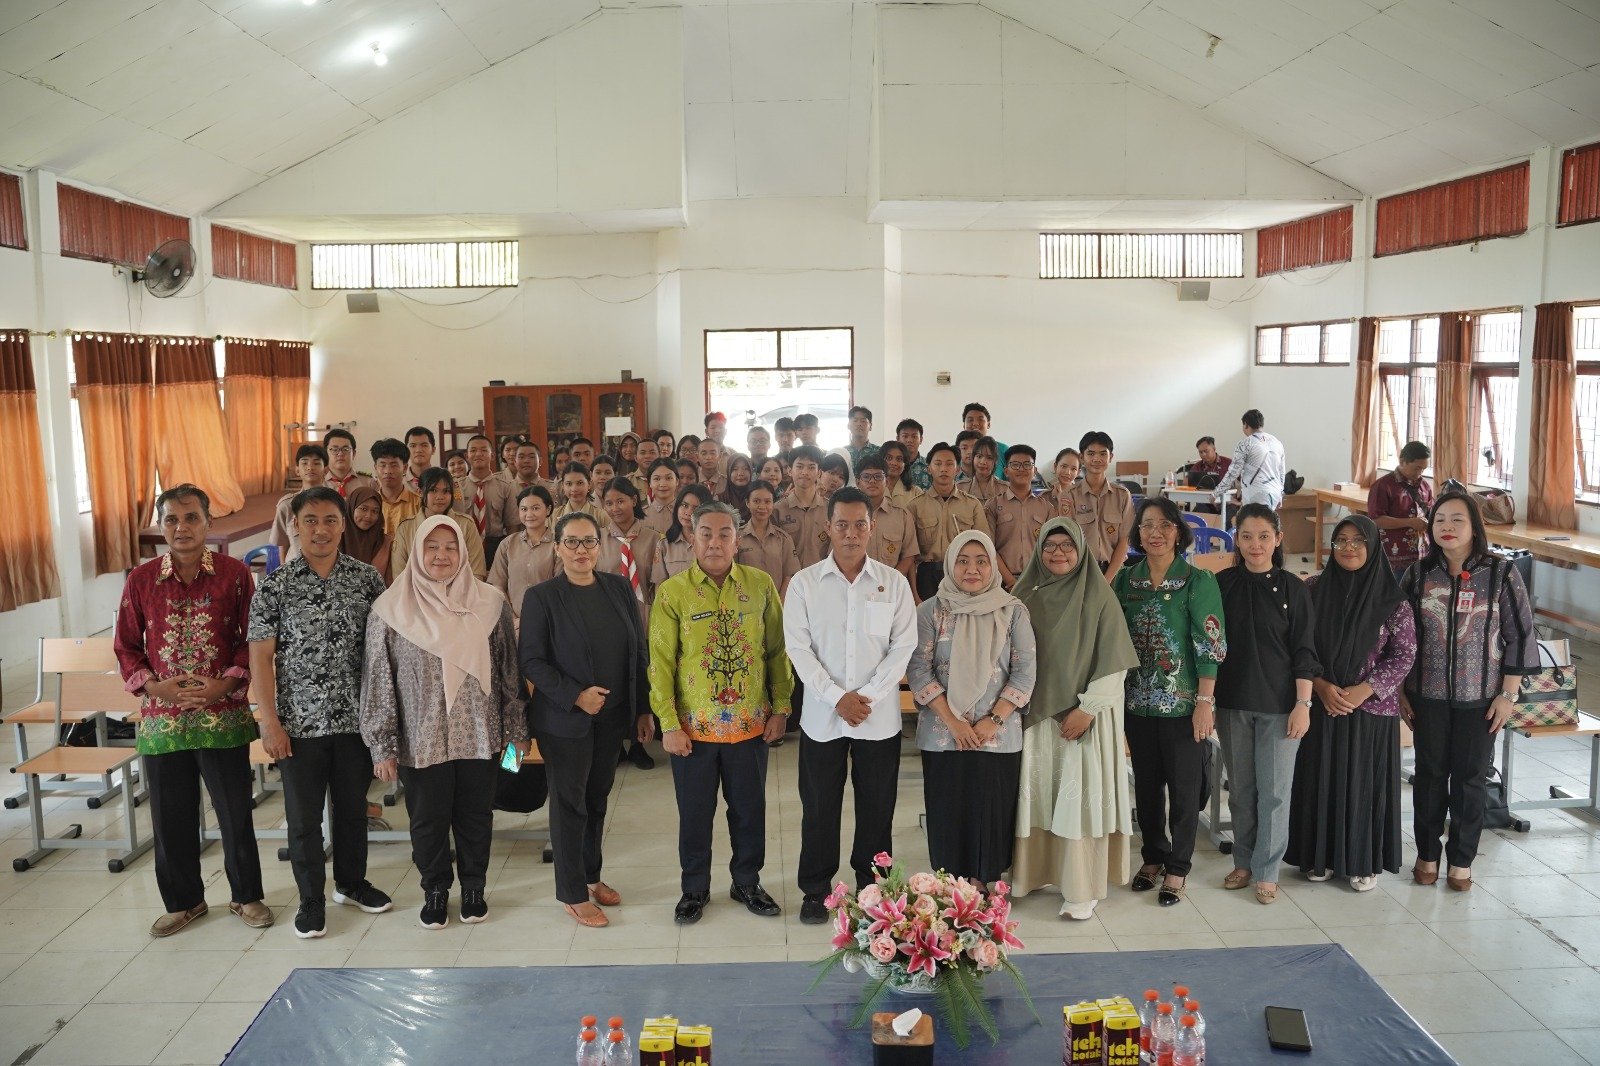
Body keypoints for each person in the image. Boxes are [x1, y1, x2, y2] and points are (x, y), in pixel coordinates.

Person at [114, 485, 270, 937]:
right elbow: (126, 646)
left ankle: (246, 895)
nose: (181, 528)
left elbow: (251, 639)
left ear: (208, 522)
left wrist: (225, 682)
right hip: (163, 720)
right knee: (169, 816)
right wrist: (155, 686)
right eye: (171, 520)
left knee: (235, 811)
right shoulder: (140, 580)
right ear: (161, 526)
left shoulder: (235, 574)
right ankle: (184, 902)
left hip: (223, 713)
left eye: (191, 518)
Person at [360, 516, 528, 928]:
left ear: (464, 553)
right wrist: (382, 746)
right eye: (431, 546)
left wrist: (517, 736)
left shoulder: (491, 603)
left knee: (476, 816)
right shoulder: (390, 609)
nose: (441, 555)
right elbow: (378, 679)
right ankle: (435, 889)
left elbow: (509, 673)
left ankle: (474, 887)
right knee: (427, 820)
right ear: (417, 551)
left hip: (481, 735)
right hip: (422, 739)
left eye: (450, 547)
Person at [250, 487, 393, 938]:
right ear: (294, 525)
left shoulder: (367, 580)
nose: (320, 529)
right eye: (310, 520)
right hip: (299, 725)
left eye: (330, 520)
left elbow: (385, 651)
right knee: (305, 819)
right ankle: (311, 899)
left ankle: (351, 884)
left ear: (343, 524)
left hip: (356, 722)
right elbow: (260, 657)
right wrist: (268, 720)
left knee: (353, 811)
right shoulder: (276, 585)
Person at [650, 501, 793, 924]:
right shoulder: (672, 592)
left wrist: (780, 709)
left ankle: (746, 880)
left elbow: (777, 652)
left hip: (750, 726)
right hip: (692, 731)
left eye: (724, 534)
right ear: (692, 538)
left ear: (737, 540)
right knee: (695, 814)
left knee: (749, 810)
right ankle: (694, 888)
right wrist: (669, 724)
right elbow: (660, 664)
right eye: (706, 534)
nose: (715, 542)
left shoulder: (761, 585)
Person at [784, 487, 917, 921]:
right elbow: (799, 650)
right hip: (823, 718)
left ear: (871, 528)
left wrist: (869, 697)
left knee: (877, 805)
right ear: (828, 528)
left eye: (860, 524)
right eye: (842, 524)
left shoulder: (892, 583)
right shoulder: (804, 585)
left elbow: (903, 647)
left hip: (878, 720)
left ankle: (873, 886)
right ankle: (816, 888)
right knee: (819, 804)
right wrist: (837, 697)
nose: (852, 533)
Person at [519, 512, 654, 928]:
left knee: (597, 798)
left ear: (601, 546)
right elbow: (532, 660)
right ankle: (572, 892)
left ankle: (592, 875)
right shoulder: (542, 597)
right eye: (572, 542)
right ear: (557, 547)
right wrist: (575, 695)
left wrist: (642, 708)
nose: (582, 550)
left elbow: (638, 651)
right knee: (568, 803)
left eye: (589, 542)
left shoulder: (616, 588)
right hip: (564, 719)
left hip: (612, 717)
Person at [1400, 491, 1536, 892]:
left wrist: (1508, 695)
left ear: (1474, 526)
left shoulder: (1501, 572)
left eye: (1457, 519)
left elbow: (1520, 634)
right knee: (1428, 775)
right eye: (1440, 519)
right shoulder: (1418, 573)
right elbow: (1402, 637)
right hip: (1427, 695)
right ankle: (1426, 854)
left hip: (1483, 698)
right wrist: (1403, 691)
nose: (1447, 527)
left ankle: (1461, 861)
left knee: (1470, 778)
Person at [1012, 518, 1140, 920]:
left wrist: (1087, 709)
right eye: (1050, 546)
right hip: (1036, 717)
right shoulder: (1022, 595)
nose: (1058, 554)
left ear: (1083, 550)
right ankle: (1035, 873)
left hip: (1085, 719)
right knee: (1040, 796)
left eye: (1068, 546)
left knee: (1077, 798)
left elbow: (1115, 662)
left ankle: (1081, 886)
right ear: (1038, 551)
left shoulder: (1099, 596)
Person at [1286, 515, 1416, 891]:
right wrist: (1322, 686)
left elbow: (1404, 655)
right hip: (1322, 703)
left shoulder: (1393, 600)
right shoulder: (1312, 589)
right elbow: (1297, 644)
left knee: (1364, 783)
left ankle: (1363, 861)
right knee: (1319, 779)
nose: (1348, 548)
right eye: (1340, 540)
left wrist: (1365, 689)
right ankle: (1318, 856)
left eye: (1358, 541)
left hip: (1371, 709)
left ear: (1374, 546)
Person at [1113, 498, 1226, 907]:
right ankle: (1154, 856)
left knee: (1183, 789)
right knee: (1145, 786)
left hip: (1183, 705)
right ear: (1136, 534)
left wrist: (1204, 702)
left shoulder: (1198, 582)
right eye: (1146, 526)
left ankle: (1178, 866)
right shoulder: (1126, 581)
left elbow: (1210, 644)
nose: (1154, 533)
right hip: (1136, 704)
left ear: (1178, 531)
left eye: (1163, 525)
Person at [908, 530, 1036, 887]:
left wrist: (993, 720)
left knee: (992, 809)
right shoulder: (931, 611)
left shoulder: (1013, 611)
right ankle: (950, 886)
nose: (972, 569)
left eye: (981, 561)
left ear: (993, 565)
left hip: (998, 732)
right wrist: (954, 722)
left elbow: (1025, 672)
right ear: (950, 564)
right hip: (943, 732)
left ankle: (986, 883)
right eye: (963, 561)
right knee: (948, 808)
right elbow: (919, 669)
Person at [1214, 505, 1319, 905]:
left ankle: (1267, 869)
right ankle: (1242, 860)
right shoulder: (1222, 584)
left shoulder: (1295, 588)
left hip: (1280, 705)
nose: (1255, 544)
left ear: (1277, 539)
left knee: (1274, 792)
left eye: (1263, 536)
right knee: (1240, 789)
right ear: (1236, 540)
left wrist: (1303, 703)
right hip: (1232, 702)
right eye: (1246, 536)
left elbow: (1304, 650)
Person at [907, 442, 991, 603]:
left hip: (963, 571)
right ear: (928, 468)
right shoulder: (915, 506)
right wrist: (914, 593)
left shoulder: (972, 504)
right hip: (927, 575)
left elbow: (984, 547)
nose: (943, 469)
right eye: (937, 464)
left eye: (949, 464)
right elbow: (909, 554)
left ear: (957, 469)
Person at [391, 467, 487, 581]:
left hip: (460, 595)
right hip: (415, 595)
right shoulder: (405, 528)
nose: (440, 497)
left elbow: (477, 572)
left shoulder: (466, 525)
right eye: (433, 490)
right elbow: (399, 576)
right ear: (420, 492)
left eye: (446, 491)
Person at [487, 485, 561, 623]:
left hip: (548, 621)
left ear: (548, 509)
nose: (529, 514)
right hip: (512, 623)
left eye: (535, 508)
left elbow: (560, 588)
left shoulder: (558, 544)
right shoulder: (508, 544)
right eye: (524, 509)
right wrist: (513, 619)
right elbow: (497, 585)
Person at [1070, 431, 1135, 583]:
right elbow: (1068, 539)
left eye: (1103, 454)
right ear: (1082, 457)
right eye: (1091, 454)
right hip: (1079, 573)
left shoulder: (1122, 495)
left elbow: (1125, 539)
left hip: (1114, 572)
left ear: (1110, 457)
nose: (1096, 459)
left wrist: (1107, 579)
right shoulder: (1070, 496)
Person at [988, 444, 1052, 590]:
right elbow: (988, 547)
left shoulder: (1047, 508)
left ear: (1034, 471)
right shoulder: (992, 506)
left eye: (1027, 464)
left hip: (1038, 582)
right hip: (1001, 583)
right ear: (1006, 471)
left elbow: (1051, 547)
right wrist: (1010, 580)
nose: (1021, 469)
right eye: (1015, 465)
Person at [1368, 441, 1434, 575]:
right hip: (1393, 558)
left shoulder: (1425, 487)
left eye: (1423, 469)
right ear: (1402, 461)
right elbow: (1376, 520)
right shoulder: (1383, 486)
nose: (1420, 472)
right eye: (1417, 468)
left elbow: (1430, 512)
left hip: (1421, 555)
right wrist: (1410, 522)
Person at [856, 453, 919, 585]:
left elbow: (909, 555)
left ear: (887, 481)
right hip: (855, 584)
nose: (872, 481)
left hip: (891, 586)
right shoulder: (848, 516)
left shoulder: (902, 516)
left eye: (878, 476)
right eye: (866, 477)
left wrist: (890, 582)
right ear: (858, 482)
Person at [458, 434, 517, 567]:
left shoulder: (506, 486)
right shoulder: (456, 487)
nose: (478, 454)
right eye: (473, 450)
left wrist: (511, 555)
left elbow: (512, 526)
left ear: (492, 455)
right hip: (463, 545)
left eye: (484, 450)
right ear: (467, 456)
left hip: (495, 546)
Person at [1214, 409, 1288, 511]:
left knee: (1255, 526)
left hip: (1256, 494)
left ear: (1245, 424)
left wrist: (1216, 493)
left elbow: (1233, 472)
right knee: (1268, 524)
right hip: (1274, 493)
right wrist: (1280, 493)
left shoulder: (1245, 444)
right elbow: (1281, 472)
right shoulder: (1277, 443)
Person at [269, 443, 330, 563]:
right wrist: (285, 571)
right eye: (304, 463)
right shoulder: (287, 505)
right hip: (295, 573)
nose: (310, 467)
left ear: (326, 470)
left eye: (316, 463)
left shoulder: (336, 504)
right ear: (297, 470)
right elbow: (283, 543)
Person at [737, 481, 800, 597]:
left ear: (773, 504)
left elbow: (789, 576)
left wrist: (779, 605)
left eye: (767, 501)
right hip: (745, 605)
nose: (762, 506)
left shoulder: (783, 538)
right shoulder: (737, 537)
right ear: (747, 503)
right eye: (756, 501)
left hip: (777, 603)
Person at [775, 445, 831, 570]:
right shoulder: (777, 510)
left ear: (819, 473)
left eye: (811, 467)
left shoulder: (831, 509)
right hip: (789, 581)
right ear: (790, 471)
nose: (804, 472)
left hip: (821, 579)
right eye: (799, 467)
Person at [653, 483, 713, 589]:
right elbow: (660, 586)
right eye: (684, 505)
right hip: (674, 605)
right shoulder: (664, 545)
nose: (688, 513)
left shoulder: (714, 544)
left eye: (696, 508)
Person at [340, 486, 392, 582]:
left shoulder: (386, 543)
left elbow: (390, 583)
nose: (368, 516)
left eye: (375, 511)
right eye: (363, 509)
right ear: (351, 507)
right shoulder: (336, 539)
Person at [372, 438, 422, 537]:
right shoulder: (370, 503)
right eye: (382, 465)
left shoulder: (419, 503)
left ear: (404, 468)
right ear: (375, 468)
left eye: (394, 465)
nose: (387, 471)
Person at [832, 405, 878, 480]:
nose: (859, 424)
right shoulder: (841, 452)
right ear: (848, 425)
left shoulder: (879, 452)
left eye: (863, 421)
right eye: (855, 420)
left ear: (871, 426)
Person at [324, 428, 375, 498]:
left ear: (353, 454)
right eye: (335, 450)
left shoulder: (368, 483)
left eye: (346, 449)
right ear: (326, 453)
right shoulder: (318, 483)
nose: (340, 454)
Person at [642, 458, 680, 532]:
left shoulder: (687, 513)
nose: (663, 484)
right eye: (657, 479)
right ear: (649, 483)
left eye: (668, 478)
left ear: (677, 481)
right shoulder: (640, 516)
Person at [880, 440, 921, 507]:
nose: (893, 463)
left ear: (905, 465)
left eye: (899, 459)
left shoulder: (916, 493)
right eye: (889, 458)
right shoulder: (872, 489)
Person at [896, 418, 931, 490]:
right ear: (898, 439)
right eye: (905, 436)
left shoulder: (930, 466)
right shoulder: (891, 465)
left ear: (921, 440)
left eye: (914, 436)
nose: (909, 440)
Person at [719, 454, 755, 522]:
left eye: (745, 469)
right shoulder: (720, 499)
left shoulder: (757, 498)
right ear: (729, 472)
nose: (740, 473)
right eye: (735, 469)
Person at [402, 426, 436, 496]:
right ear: (406, 451)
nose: (418, 450)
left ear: (433, 450)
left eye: (424, 445)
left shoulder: (446, 479)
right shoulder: (397, 481)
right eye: (413, 446)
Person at [1048, 448, 1081, 515]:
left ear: (1078, 473)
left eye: (1073, 469)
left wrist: (1061, 499)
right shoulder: (1044, 497)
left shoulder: (1083, 498)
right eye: (1064, 466)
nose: (1068, 472)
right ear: (1055, 467)